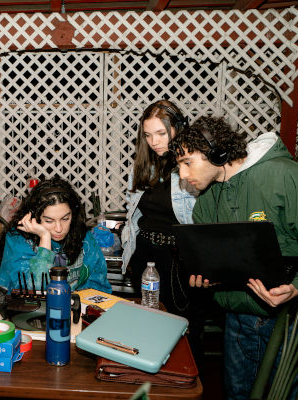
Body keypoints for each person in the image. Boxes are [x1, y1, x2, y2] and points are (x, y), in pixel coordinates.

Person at [169, 116, 298, 399]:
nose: (182, 174)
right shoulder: (205, 203)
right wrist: (207, 278)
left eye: (187, 162)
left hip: (289, 322)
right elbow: (220, 264)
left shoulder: (284, 176)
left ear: (217, 153)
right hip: (237, 321)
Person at [121, 99, 205, 375]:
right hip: (145, 256)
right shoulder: (147, 165)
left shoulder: (192, 166)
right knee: (149, 330)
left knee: (185, 332)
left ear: (178, 128)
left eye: (161, 133)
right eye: (148, 135)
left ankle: (187, 385)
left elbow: (202, 220)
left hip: (177, 260)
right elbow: (135, 213)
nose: (154, 141)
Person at [0, 175, 111, 296]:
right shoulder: (17, 239)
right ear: (34, 216)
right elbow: (37, 290)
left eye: (65, 218)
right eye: (49, 221)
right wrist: (45, 237)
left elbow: (100, 285)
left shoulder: (85, 238)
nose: (59, 229)